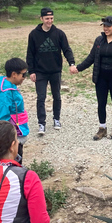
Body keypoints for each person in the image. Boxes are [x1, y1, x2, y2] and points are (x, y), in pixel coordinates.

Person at [74, 16, 112, 140]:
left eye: (108, 26)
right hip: (101, 78)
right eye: (104, 26)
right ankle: (102, 128)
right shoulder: (99, 41)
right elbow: (91, 58)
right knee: (101, 103)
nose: (106, 28)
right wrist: (78, 68)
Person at [26, 7, 77, 135]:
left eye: (51, 18)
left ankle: (56, 119)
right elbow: (30, 54)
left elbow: (66, 49)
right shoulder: (33, 34)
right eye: (47, 18)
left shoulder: (59, 34)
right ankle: (41, 123)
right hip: (40, 72)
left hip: (55, 71)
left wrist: (72, 63)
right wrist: (31, 71)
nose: (50, 21)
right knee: (41, 97)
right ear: (41, 19)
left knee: (57, 96)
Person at [0, 58, 29, 164]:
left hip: (16, 131)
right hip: (12, 136)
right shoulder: (4, 94)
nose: (25, 77)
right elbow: (2, 119)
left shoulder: (9, 85)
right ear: (14, 74)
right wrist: (10, 139)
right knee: (13, 163)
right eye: (24, 74)